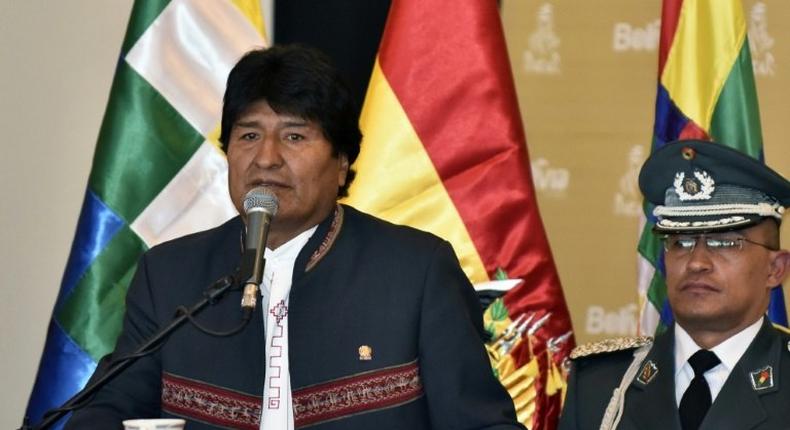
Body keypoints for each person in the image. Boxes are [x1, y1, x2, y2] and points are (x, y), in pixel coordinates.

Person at [64, 45, 523, 429]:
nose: (266, 159)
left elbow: (482, 423)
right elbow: (105, 413)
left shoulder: (416, 271)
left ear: (342, 161)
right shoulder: (169, 274)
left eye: (295, 136)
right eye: (247, 135)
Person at [559, 140, 790, 430]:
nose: (696, 262)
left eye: (724, 242)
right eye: (681, 242)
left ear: (775, 269)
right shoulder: (602, 384)